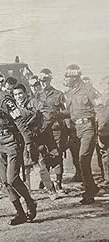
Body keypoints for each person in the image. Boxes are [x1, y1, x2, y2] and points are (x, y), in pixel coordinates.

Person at [0, 66, 37, 225]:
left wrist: (29, 142)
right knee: (4, 180)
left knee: (13, 178)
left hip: (11, 141)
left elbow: (19, 120)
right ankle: (20, 213)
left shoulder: (4, 98)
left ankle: (30, 202)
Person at [61, 64, 100, 204]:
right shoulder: (70, 93)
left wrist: (100, 130)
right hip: (75, 129)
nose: (65, 79)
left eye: (68, 77)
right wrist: (57, 114)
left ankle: (89, 192)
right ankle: (92, 186)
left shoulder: (89, 90)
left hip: (88, 128)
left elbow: (100, 107)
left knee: (83, 159)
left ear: (75, 77)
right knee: (79, 160)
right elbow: (70, 112)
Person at [13, 83, 59, 200]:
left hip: (35, 138)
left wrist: (39, 129)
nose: (18, 96)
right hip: (21, 139)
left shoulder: (33, 102)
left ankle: (51, 190)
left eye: (20, 94)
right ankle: (27, 194)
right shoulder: (13, 106)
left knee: (40, 164)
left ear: (25, 93)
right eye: (16, 94)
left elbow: (48, 113)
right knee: (25, 167)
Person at [38, 68, 67, 193]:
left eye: (45, 80)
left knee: (57, 153)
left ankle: (59, 181)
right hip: (44, 129)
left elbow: (66, 111)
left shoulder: (59, 94)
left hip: (56, 129)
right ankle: (46, 178)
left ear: (50, 80)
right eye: (41, 80)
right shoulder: (38, 95)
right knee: (44, 153)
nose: (43, 82)